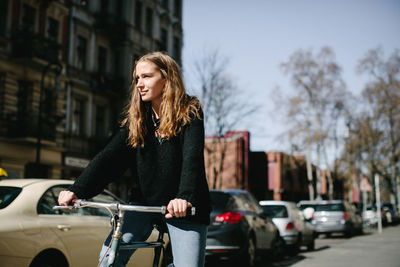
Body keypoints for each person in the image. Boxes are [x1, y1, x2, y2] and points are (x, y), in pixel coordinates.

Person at [58, 51, 211, 267]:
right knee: (109, 259)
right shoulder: (137, 121)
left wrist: (184, 197)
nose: (139, 84)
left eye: (147, 76)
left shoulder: (190, 111)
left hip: (183, 207)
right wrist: (77, 190)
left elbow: (192, 159)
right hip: (145, 204)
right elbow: (108, 160)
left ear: (167, 78)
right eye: (137, 78)